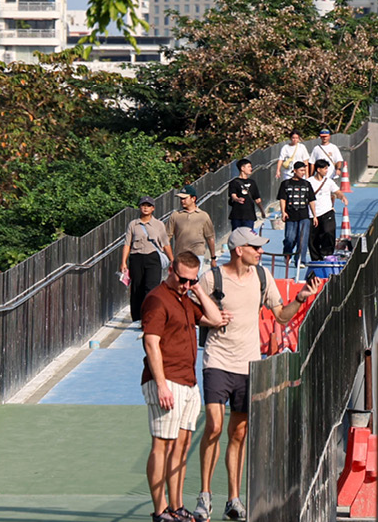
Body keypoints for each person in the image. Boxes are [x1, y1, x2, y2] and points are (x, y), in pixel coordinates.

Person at [192, 228, 325, 521]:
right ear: (239, 249)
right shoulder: (212, 278)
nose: (261, 251)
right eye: (255, 247)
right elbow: (191, 314)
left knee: (239, 432)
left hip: (249, 364)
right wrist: (210, 319)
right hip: (217, 361)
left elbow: (280, 314)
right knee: (214, 425)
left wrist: (301, 298)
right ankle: (204, 496)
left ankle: (234, 499)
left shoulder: (262, 277)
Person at [141, 252, 230, 522]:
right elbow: (151, 342)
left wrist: (198, 290)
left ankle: (176, 506)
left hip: (187, 381)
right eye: (182, 279)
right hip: (166, 380)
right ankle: (160, 510)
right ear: (170, 270)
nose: (185, 284)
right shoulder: (158, 299)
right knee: (162, 445)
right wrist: (161, 386)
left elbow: (215, 319)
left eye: (190, 280)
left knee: (182, 444)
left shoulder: (185, 298)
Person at [121, 196, 173, 324]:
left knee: (152, 287)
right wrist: (123, 262)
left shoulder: (159, 225)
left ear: (153, 208)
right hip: (136, 257)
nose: (145, 207)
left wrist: (173, 260)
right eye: (143, 205)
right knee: (137, 288)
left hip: (152, 257)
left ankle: (150, 317)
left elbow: (166, 244)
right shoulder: (133, 224)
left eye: (148, 205)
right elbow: (127, 244)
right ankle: (137, 317)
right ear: (139, 207)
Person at [169, 184, 217, 271]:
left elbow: (210, 237)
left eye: (184, 198)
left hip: (197, 254)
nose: (182, 201)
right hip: (180, 254)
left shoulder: (203, 216)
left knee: (194, 280)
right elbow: (167, 237)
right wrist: (171, 258)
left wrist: (213, 258)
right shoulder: (175, 215)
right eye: (181, 198)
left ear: (193, 198)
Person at [307, 159, 348, 261]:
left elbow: (337, 192)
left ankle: (327, 254)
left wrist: (342, 197)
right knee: (313, 237)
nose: (326, 171)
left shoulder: (329, 182)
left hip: (327, 211)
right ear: (318, 169)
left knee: (329, 232)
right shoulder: (309, 182)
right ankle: (316, 258)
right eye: (325, 168)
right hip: (313, 214)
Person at [277, 161, 316, 267]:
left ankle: (300, 260)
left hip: (304, 215)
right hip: (290, 216)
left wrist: (314, 215)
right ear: (294, 171)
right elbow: (282, 199)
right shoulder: (285, 184)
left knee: (302, 238)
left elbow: (311, 200)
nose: (303, 172)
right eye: (301, 170)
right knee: (290, 238)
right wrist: (283, 211)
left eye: (304, 170)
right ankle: (287, 253)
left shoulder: (307, 184)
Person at [227, 159, 265, 232]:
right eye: (249, 167)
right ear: (242, 168)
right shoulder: (234, 182)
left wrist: (262, 211)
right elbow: (233, 195)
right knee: (237, 237)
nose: (251, 169)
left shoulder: (252, 182)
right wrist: (237, 199)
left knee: (248, 237)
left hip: (249, 215)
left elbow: (257, 199)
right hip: (237, 215)